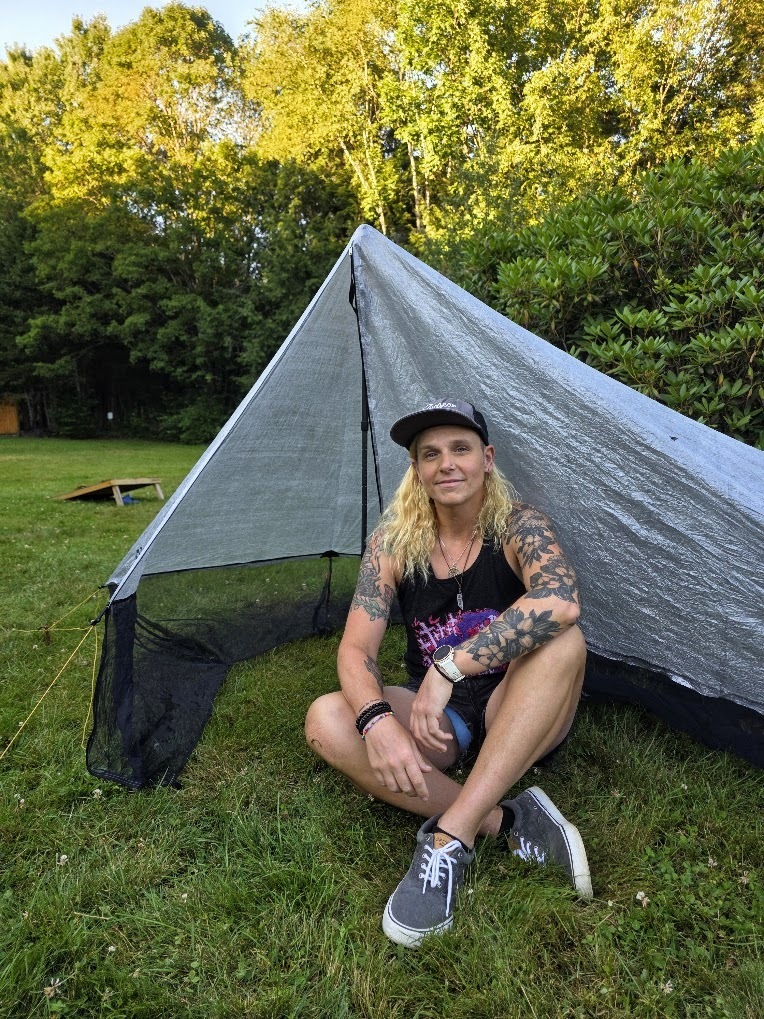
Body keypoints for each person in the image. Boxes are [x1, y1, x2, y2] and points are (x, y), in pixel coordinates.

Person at [305, 399, 591, 947]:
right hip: (439, 719)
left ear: (487, 458)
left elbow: (560, 600)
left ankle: (450, 838)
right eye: (430, 454)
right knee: (327, 719)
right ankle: (507, 820)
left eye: (461, 449)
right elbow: (356, 649)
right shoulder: (392, 541)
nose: (447, 464)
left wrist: (448, 667)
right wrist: (376, 722)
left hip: (519, 699)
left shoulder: (520, 524)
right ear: (416, 470)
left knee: (564, 640)